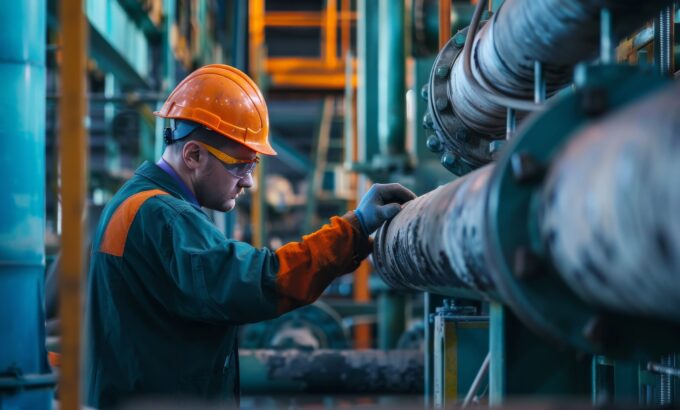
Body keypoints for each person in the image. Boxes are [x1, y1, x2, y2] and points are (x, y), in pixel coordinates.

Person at [84, 64, 415, 408]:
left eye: (253, 166)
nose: (249, 182)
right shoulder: (165, 216)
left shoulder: (135, 201)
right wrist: (354, 228)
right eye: (240, 165)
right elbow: (257, 282)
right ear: (193, 154)